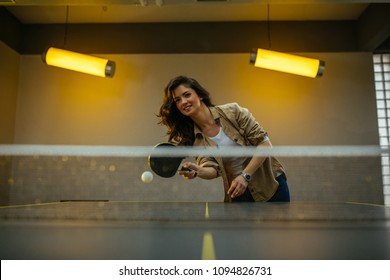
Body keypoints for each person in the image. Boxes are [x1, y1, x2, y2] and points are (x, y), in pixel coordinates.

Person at [157, 76, 290, 203]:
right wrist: (198, 170)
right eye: (177, 100)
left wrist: (245, 176)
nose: (183, 102)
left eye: (187, 95)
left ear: (200, 95)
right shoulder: (194, 139)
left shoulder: (233, 112)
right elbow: (213, 170)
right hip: (239, 194)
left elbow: (265, 144)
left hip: (271, 186)